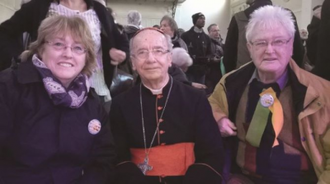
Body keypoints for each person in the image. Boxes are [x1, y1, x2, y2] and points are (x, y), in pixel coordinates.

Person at [209, 6, 330, 183]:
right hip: (243, 178)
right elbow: (211, 103)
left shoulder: (322, 93)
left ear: (291, 45)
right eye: (261, 43)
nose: (269, 50)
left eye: (279, 42)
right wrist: (218, 118)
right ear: (249, 47)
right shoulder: (230, 82)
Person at [0, 15, 116, 183]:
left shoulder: (92, 103)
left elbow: (104, 159)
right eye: (58, 44)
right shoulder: (9, 87)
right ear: (40, 49)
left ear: (87, 57)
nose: (68, 54)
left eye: (78, 48)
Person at [110, 28, 224, 184]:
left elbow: (212, 153)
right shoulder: (120, 104)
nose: (151, 59)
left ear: (169, 58)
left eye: (158, 51)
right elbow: (117, 157)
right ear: (133, 63)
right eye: (142, 52)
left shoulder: (195, 99)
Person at [0, 0, 129, 112]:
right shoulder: (39, 6)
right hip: (44, 92)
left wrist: (121, 54)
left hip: (95, 90)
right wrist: (20, 57)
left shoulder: (99, 11)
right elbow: (4, 32)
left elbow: (121, 40)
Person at [223, 0, 304, 73]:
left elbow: (229, 56)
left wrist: (234, 79)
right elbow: (298, 52)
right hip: (283, 79)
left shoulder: (238, 19)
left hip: (245, 80)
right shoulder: (287, 15)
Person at [181, 12, 212, 85]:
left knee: (200, 90)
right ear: (195, 21)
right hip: (189, 70)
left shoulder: (206, 38)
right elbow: (182, 50)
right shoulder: (186, 36)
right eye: (200, 18)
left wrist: (207, 60)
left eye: (204, 19)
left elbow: (209, 52)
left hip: (201, 71)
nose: (203, 20)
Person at [206, 23, 224, 94]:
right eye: (214, 31)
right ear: (209, 32)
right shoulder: (207, 43)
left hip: (220, 70)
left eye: (218, 30)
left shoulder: (221, 42)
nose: (217, 32)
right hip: (210, 71)